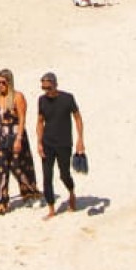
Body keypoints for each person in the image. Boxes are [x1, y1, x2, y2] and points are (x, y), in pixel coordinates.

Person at [0, 68, 40, 214]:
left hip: (16, 135)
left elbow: (22, 118)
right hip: (1, 136)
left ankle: (30, 193)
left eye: (3, 82)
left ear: (9, 83)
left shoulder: (18, 97)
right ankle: (0, 201)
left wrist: (19, 139)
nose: (0, 85)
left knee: (19, 167)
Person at [35, 72, 85, 219]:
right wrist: (39, 142)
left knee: (64, 174)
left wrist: (80, 139)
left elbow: (77, 118)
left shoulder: (68, 98)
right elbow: (39, 121)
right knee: (47, 176)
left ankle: (71, 193)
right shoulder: (42, 100)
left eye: (48, 87)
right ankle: (51, 208)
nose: (46, 91)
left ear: (55, 84)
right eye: (43, 88)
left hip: (64, 144)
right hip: (47, 143)